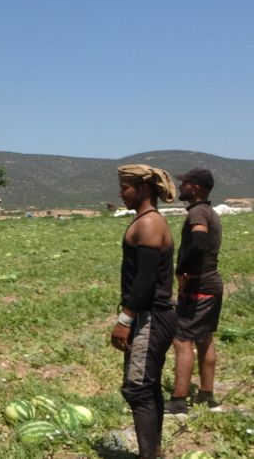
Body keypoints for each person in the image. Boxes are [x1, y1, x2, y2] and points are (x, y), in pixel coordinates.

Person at [111, 164, 177, 459]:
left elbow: (146, 281)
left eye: (125, 187)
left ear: (143, 188)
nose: (121, 193)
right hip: (152, 316)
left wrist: (125, 319)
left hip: (150, 317)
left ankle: (149, 455)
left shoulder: (149, 224)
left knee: (138, 389)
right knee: (147, 388)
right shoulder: (146, 221)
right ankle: (154, 452)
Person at [167, 168, 224, 415]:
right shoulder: (208, 211)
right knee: (204, 338)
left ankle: (179, 401)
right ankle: (207, 396)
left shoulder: (198, 212)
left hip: (198, 287)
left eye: (186, 183)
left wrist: (182, 271)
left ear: (197, 188)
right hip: (211, 286)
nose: (181, 187)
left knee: (182, 340)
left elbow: (198, 243)